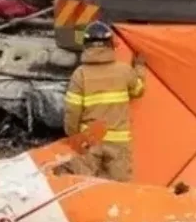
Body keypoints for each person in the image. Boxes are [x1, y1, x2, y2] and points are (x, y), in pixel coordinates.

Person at [61, 21, 146, 182]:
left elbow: (72, 112)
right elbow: (138, 91)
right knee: (119, 191)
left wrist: (74, 138)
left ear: (85, 46)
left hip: (90, 141)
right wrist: (139, 67)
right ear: (110, 45)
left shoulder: (80, 75)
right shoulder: (124, 71)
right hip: (118, 144)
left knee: (84, 188)